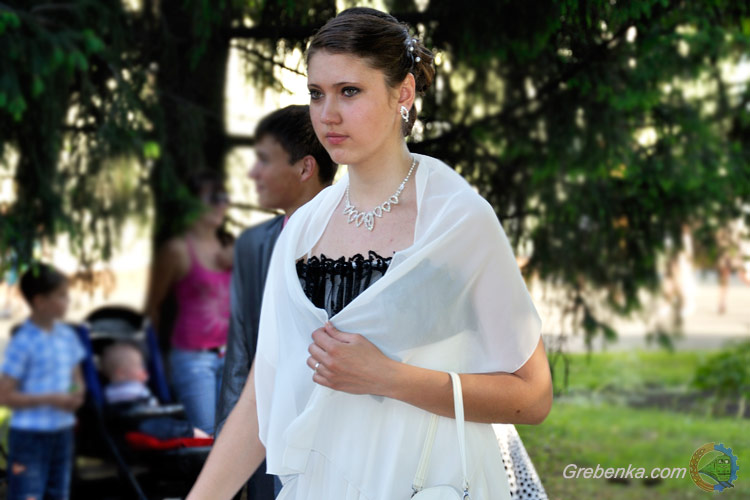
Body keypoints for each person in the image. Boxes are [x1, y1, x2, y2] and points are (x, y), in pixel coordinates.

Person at [188, 8, 552, 500]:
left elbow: (532, 395)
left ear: (403, 93)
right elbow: (262, 394)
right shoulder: (303, 230)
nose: (328, 115)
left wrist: (391, 378)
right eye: (316, 94)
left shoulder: (457, 219)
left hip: (428, 482)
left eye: (350, 91)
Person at [215, 105, 337, 497]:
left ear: (305, 168)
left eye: (264, 160)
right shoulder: (253, 246)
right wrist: (227, 456)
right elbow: (240, 357)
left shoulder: (363, 242)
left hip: (336, 447)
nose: (253, 173)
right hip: (264, 446)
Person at [144, 170, 234, 435]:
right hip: (193, 360)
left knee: (232, 438)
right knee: (205, 439)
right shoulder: (177, 250)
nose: (221, 204)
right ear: (191, 203)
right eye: (213, 197)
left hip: (231, 357)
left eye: (224, 197)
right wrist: (156, 360)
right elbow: (153, 306)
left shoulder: (231, 246)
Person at [0, 263, 86, 500]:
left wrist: (75, 394)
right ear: (39, 301)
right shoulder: (23, 342)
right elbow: (5, 394)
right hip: (30, 435)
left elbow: (75, 377)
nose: (67, 301)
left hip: (62, 431)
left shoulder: (67, 337)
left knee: (58, 493)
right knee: (27, 493)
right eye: (61, 296)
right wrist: (50, 399)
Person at [101, 342, 209, 440]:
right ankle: (203, 437)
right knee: (184, 427)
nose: (144, 370)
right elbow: (153, 406)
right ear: (121, 373)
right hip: (149, 427)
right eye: (140, 366)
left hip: (131, 430)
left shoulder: (108, 392)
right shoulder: (137, 389)